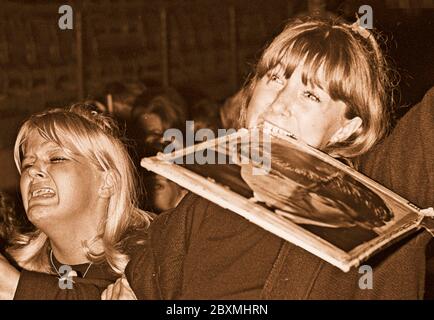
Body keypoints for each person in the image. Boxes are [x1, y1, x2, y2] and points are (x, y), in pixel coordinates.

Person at [111, 16, 433, 299]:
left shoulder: (376, 190)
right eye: (276, 78)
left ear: (345, 128)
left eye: (310, 94)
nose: (279, 104)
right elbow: (139, 283)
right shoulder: (206, 198)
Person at [0, 104, 152, 299]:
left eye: (56, 159)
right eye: (28, 163)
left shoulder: (150, 258)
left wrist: (16, 288)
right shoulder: (16, 265)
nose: (32, 171)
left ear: (107, 182)